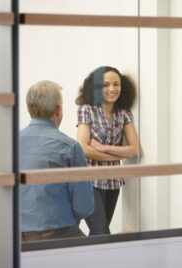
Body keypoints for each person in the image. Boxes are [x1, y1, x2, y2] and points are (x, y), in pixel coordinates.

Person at [20, 80, 94, 242]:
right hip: (57, 235)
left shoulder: (9, 144)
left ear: (28, 108)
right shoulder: (70, 147)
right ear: (58, 109)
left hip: (14, 237)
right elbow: (84, 207)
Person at [76, 66, 139, 235]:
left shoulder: (124, 113)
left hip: (113, 181)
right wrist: (116, 155)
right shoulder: (87, 109)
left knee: (99, 235)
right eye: (105, 85)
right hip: (89, 182)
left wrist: (104, 148)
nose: (112, 89)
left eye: (116, 84)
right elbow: (83, 149)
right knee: (102, 231)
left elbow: (135, 150)